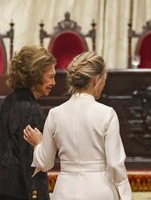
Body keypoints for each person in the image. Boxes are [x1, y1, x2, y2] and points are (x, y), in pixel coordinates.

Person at [24, 52, 132, 200]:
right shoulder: (107, 114)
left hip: (64, 190)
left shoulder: (55, 114)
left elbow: (45, 163)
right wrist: (125, 194)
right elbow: (114, 163)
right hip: (100, 190)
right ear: (97, 80)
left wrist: (38, 145)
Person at [0, 45, 56, 200]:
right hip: (17, 193)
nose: (54, 82)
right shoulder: (32, 110)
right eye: (50, 77)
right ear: (35, 76)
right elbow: (32, 163)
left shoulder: (5, 102)